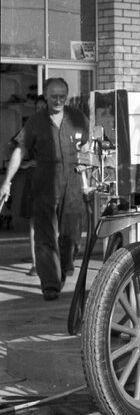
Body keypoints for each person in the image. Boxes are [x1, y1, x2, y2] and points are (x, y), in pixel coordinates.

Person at [0, 78, 89, 301]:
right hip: (44, 185)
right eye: (53, 96)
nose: (58, 100)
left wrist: (88, 174)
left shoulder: (78, 118)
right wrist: (6, 181)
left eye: (62, 96)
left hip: (73, 183)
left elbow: (87, 147)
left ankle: (63, 268)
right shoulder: (35, 122)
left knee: (72, 236)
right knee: (44, 236)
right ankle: (49, 284)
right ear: (46, 96)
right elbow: (20, 151)